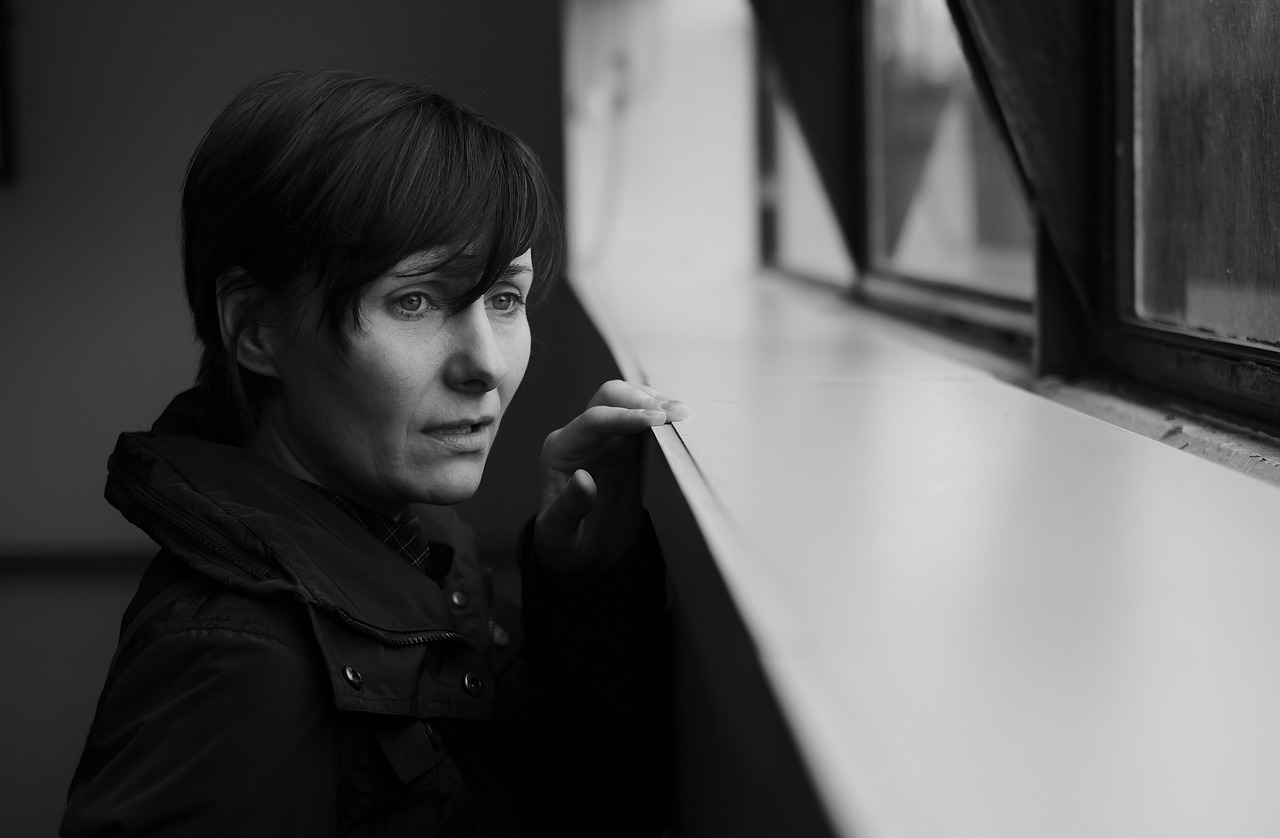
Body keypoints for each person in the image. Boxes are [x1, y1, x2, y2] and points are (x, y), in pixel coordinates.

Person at [61, 69, 687, 837]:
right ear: (256, 328)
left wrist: (582, 589)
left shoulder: (407, 543)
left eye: (504, 299)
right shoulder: (235, 664)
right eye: (415, 300)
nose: (485, 364)